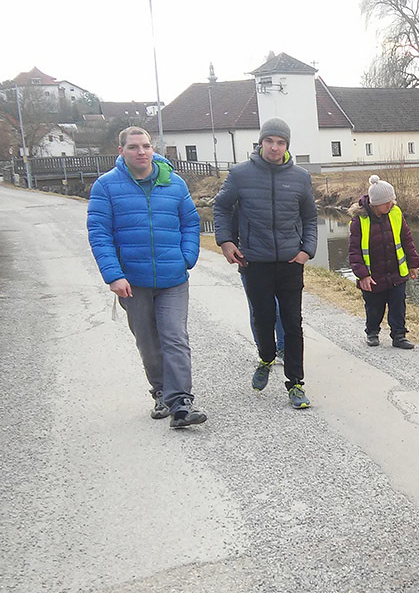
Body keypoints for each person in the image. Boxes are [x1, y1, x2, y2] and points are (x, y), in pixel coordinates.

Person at [86, 126, 207, 428]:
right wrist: (114, 275)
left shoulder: (174, 183)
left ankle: (181, 403)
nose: (141, 152)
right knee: (148, 342)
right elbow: (99, 234)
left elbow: (191, 223)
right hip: (132, 281)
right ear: (121, 151)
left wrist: (187, 256)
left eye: (146, 146)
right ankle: (161, 391)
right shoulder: (106, 186)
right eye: (133, 147)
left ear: (153, 149)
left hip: (173, 278)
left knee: (175, 337)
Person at [213, 118, 317, 409]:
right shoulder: (240, 174)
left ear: (287, 146)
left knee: (293, 323)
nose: (274, 147)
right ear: (260, 143)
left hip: (290, 261)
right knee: (263, 317)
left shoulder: (300, 177)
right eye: (269, 141)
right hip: (254, 261)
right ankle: (267, 358)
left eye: (281, 142)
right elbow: (221, 207)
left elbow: (310, 217)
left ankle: (295, 383)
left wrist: (307, 250)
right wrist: (226, 241)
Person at [348, 175, 419, 349]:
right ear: (375, 203)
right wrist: (362, 275)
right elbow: (354, 251)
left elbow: (407, 240)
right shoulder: (359, 220)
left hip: (396, 273)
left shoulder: (395, 213)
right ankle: (372, 332)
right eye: (386, 202)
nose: (390, 204)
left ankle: (399, 336)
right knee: (374, 307)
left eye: (391, 200)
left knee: (398, 305)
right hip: (373, 276)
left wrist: (413, 264)